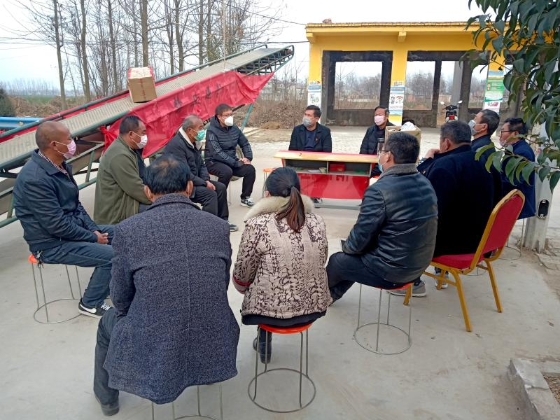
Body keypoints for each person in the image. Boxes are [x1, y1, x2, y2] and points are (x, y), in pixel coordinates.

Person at [93, 155, 239, 416]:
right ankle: (205, 369)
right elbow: (221, 283)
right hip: (215, 331)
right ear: (190, 187)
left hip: (154, 337)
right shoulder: (218, 227)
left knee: (108, 323)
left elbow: (120, 297)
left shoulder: (128, 231)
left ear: (148, 192)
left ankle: (107, 399)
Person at [13, 121, 113, 318]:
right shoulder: (35, 179)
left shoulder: (59, 165)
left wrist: (93, 230)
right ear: (54, 145)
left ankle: (112, 285)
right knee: (113, 256)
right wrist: (93, 237)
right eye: (69, 139)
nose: (73, 142)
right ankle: (90, 303)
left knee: (122, 232)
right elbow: (56, 225)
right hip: (51, 243)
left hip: (70, 231)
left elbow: (76, 204)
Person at [232, 167, 331, 363]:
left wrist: (244, 287)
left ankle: (263, 340)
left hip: (267, 315)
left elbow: (243, 274)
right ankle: (264, 338)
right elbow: (322, 259)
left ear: (267, 194)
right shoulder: (317, 221)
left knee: (261, 282)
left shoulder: (257, 224)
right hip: (312, 309)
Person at [327, 132, 437, 302]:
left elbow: (359, 240)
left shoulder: (379, 191)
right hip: (419, 265)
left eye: (383, 151)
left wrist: (348, 249)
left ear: (388, 156)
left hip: (392, 272)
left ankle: (318, 299)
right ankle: (331, 296)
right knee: (356, 253)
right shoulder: (425, 182)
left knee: (338, 261)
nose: (380, 155)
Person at [393, 121, 496, 297]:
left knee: (401, 226)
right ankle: (441, 273)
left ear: (446, 142)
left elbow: (427, 206)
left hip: (454, 243)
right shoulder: (485, 161)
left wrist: (427, 161)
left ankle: (412, 282)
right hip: (482, 239)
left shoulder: (445, 166)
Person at [164, 115, 238, 232]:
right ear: (189, 130)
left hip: (195, 180)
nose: (202, 131)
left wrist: (206, 180)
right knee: (209, 194)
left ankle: (222, 221)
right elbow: (184, 173)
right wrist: (204, 183)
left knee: (220, 188)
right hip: (181, 185)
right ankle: (206, 228)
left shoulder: (194, 142)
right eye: (200, 128)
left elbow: (202, 165)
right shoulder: (176, 145)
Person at [94, 116, 152, 225]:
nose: (145, 137)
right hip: (117, 215)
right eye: (143, 133)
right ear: (131, 134)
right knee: (160, 210)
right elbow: (137, 189)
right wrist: (160, 198)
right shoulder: (120, 155)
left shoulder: (129, 149)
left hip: (126, 202)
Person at [204, 103, 256, 207]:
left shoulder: (234, 128)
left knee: (250, 169)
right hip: (214, 162)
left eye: (231, 114)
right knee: (226, 172)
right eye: (226, 115)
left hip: (232, 161)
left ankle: (245, 198)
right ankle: (219, 198)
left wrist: (248, 157)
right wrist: (235, 163)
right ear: (219, 117)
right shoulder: (211, 131)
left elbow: (245, 143)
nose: (230, 117)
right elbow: (217, 152)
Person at [499, 117, 536, 219]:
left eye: (503, 131)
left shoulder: (522, 152)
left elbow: (514, 181)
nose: (500, 135)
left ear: (515, 133)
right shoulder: (514, 149)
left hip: (514, 202)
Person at [469, 109, 503, 205]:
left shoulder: (480, 149)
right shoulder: (483, 144)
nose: (472, 122)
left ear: (483, 127)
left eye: (475, 119)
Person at [359, 106, 395, 176]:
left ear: (386, 116)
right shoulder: (370, 130)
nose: (377, 117)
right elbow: (363, 148)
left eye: (380, 115)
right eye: (376, 115)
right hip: (369, 164)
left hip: (383, 168)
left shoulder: (392, 131)